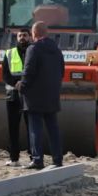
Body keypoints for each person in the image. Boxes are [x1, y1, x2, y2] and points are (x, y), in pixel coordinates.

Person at [19, 21, 65, 170]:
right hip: (52, 94)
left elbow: (28, 71)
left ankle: (38, 159)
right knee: (53, 128)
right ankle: (57, 159)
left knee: (35, 129)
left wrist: (23, 87)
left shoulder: (33, 49)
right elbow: (62, 71)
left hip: (35, 96)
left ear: (34, 33)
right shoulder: (57, 50)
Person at [1, 27, 32, 166]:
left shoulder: (34, 51)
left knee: (32, 127)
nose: (22, 38)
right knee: (13, 128)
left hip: (30, 96)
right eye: (20, 36)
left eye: (24, 35)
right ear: (16, 37)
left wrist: (24, 84)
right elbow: (5, 75)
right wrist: (16, 84)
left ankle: (34, 157)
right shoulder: (9, 53)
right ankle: (14, 158)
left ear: (30, 37)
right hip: (12, 96)